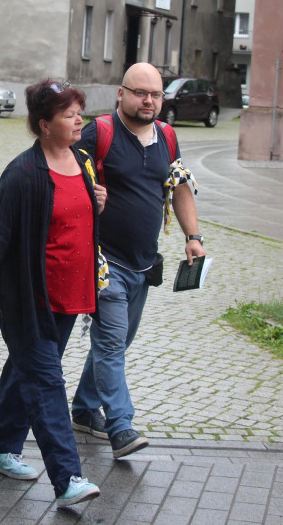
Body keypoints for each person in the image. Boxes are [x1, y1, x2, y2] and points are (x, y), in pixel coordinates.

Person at [0, 79, 105, 508]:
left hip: (72, 295)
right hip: (30, 299)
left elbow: (75, 214)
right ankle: (68, 479)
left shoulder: (81, 160)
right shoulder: (22, 174)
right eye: (69, 115)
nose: (79, 119)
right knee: (47, 381)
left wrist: (95, 200)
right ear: (44, 124)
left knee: (26, 371)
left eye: (78, 111)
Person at [71, 62, 203, 458]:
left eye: (156, 94)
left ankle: (81, 409)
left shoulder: (167, 135)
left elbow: (177, 186)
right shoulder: (100, 133)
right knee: (111, 343)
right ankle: (121, 426)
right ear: (121, 93)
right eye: (141, 93)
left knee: (118, 342)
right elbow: (66, 179)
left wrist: (193, 237)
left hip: (144, 265)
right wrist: (88, 196)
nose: (149, 101)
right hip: (103, 261)